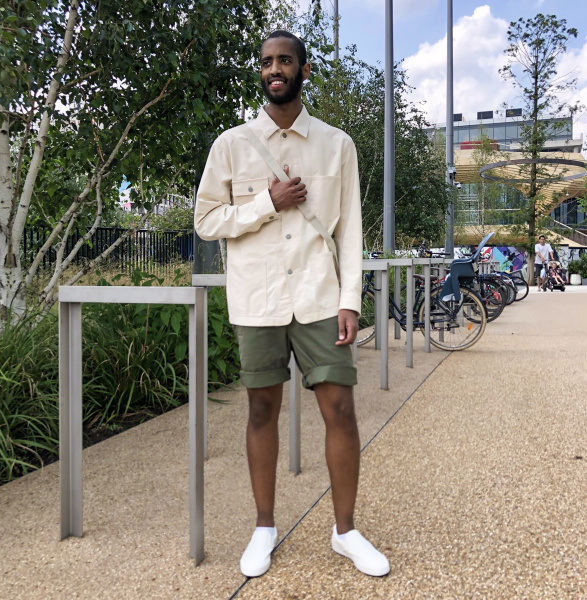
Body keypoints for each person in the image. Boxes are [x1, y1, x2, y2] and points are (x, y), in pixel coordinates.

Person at [194, 30, 390, 579]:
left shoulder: (337, 144)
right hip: (257, 299)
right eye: (266, 62)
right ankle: (264, 527)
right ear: (260, 72)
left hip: (320, 296)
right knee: (261, 410)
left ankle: (345, 532)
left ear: (304, 71)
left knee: (341, 410)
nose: (273, 69)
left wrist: (351, 299)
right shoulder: (231, 145)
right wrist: (265, 203)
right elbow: (206, 221)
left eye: (284, 61)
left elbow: (350, 230)